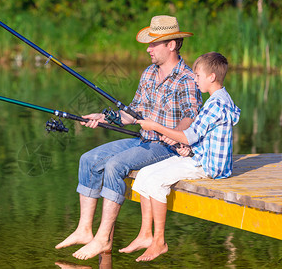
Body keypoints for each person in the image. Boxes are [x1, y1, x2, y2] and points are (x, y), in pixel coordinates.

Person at [55, 15, 203, 260]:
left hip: (168, 148)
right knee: (89, 159)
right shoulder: (148, 73)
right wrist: (103, 117)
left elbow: (191, 119)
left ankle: (102, 239)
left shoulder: (187, 79)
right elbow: (132, 112)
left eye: (154, 44)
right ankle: (83, 230)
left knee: (115, 165)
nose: (148, 49)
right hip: (143, 140)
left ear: (172, 45)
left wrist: (168, 132)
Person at [124, 52, 241, 262]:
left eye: (197, 75)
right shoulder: (219, 98)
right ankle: (145, 235)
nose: (194, 79)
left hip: (209, 166)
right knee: (143, 174)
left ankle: (159, 242)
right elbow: (200, 137)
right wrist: (190, 149)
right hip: (200, 156)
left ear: (211, 77)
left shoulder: (216, 104)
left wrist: (155, 126)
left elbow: (189, 135)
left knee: (156, 182)